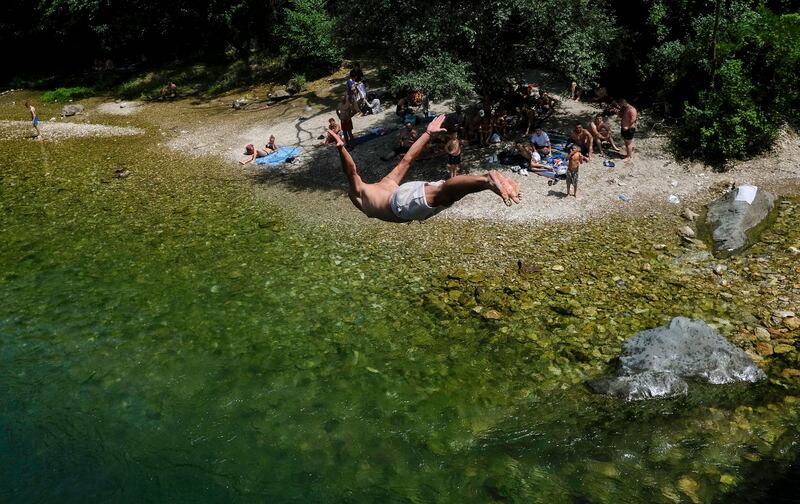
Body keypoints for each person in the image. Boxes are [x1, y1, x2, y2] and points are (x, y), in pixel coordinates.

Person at [326, 115, 522, 223]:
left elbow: (351, 172)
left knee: (443, 194)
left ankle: (486, 180)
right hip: (405, 198)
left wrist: (341, 148)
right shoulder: (388, 182)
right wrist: (427, 133)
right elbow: (408, 159)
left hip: (399, 206)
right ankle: (483, 181)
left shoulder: (360, 193)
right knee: (447, 193)